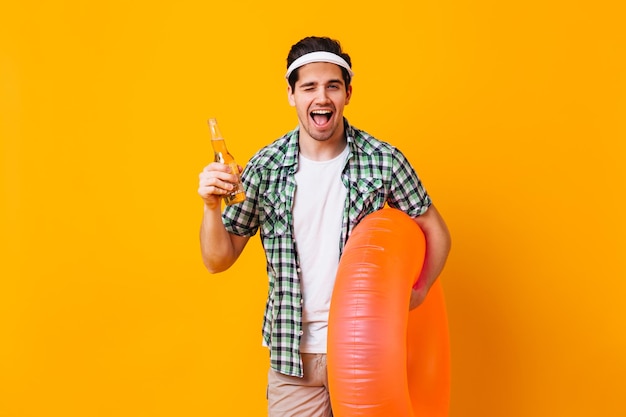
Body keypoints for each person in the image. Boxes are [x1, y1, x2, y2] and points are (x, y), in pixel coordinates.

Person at [198, 36, 451, 417]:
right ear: (291, 94)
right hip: (293, 359)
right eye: (309, 87)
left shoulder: (383, 160)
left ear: (348, 93)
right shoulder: (264, 167)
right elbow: (217, 259)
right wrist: (210, 207)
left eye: (332, 86)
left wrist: (421, 289)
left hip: (367, 351)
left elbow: (436, 230)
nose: (322, 98)